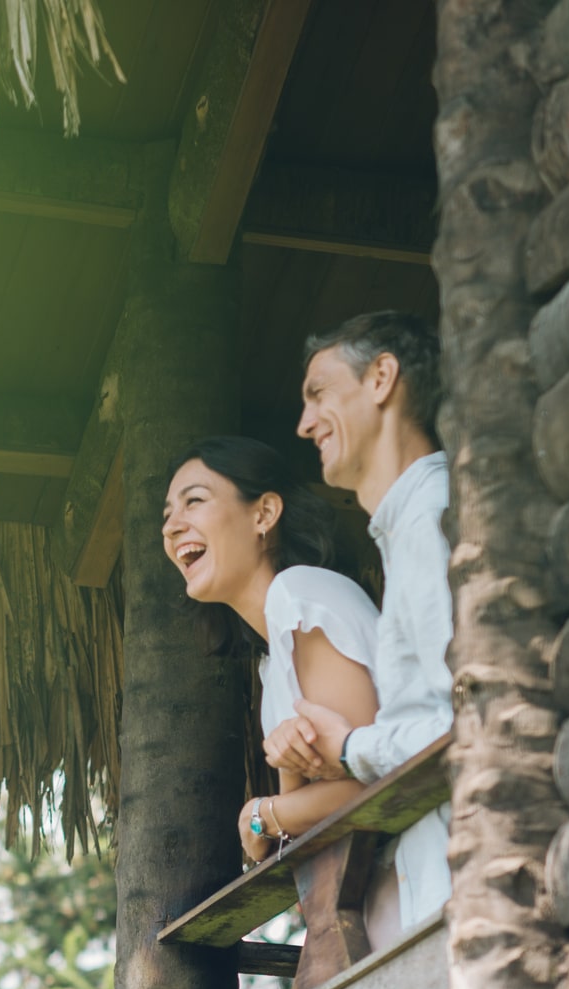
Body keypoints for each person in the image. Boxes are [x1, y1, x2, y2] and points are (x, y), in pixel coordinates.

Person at [266, 310, 454, 931]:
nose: (304, 423)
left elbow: (464, 721)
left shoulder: (432, 521)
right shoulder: (410, 529)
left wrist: (346, 749)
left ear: (382, 379)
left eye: (318, 394)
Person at [158, 436, 381, 864]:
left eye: (194, 502)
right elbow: (304, 822)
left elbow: (371, 783)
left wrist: (258, 815)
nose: (170, 527)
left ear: (263, 514)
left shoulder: (301, 595)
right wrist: (284, 792)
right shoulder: (272, 659)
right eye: (168, 515)